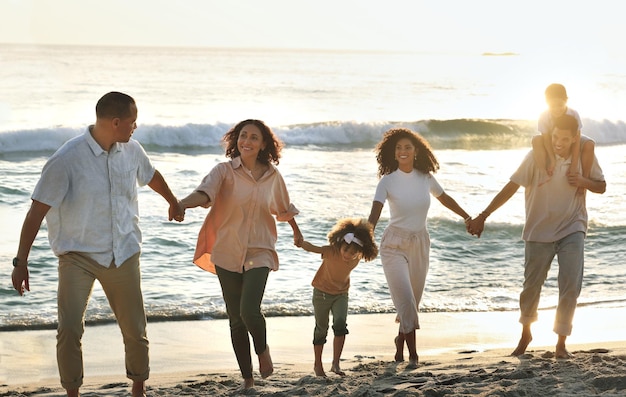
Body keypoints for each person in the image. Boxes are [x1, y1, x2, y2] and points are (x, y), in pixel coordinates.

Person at [10, 92, 183, 397]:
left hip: (124, 252)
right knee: (70, 330)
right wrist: (21, 262)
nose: (135, 127)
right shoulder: (66, 159)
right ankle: (73, 393)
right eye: (132, 122)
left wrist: (172, 201)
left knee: (135, 330)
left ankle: (138, 389)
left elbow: (151, 175)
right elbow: (37, 212)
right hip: (78, 255)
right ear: (116, 122)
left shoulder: (132, 150)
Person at [468, 114, 606, 359]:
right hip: (538, 231)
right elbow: (512, 186)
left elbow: (601, 185)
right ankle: (526, 333)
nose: (558, 143)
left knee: (570, 285)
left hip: (572, 227)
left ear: (575, 138)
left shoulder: (584, 156)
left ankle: (561, 342)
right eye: (555, 137)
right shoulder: (536, 157)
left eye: (565, 139)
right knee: (531, 287)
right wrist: (484, 214)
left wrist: (583, 180)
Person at [178, 119, 303, 389]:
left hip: (261, 248)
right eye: (243, 136)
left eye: (254, 137)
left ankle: (262, 349)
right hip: (227, 249)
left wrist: (296, 231)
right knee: (235, 319)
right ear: (236, 140)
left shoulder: (272, 176)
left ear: (263, 144)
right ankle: (247, 378)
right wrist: (182, 204)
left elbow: (283, 207)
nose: (247, 141)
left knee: (249, 310)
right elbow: (204, 194)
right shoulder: (223, 171)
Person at [367, 127, 473, 369]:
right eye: (399, 148)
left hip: (420, 244)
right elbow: (376, 210)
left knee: (413, 301)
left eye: (408, 147)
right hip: (393, 245)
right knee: (406, 301)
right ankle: (413, 355)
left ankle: (400, 340)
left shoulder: (425, 177)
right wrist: (366, 236)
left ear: (416, 152)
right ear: (393, 154)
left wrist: (467, 217)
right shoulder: (387, 181)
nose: (403, 151)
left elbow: (444, 198)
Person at [299, 218, 378, 377]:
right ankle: (318, 364)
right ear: (340, 244)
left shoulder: (358, 255)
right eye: (345, 250)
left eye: (352, 252)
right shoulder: (331, 251)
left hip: (341, 294)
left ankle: (335, 363)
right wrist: (300, 242)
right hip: (321, 293)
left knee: (340, 323)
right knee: (321, 328)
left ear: (358, 252)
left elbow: (367, 242)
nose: (348, 255)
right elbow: (312, 248)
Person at [532, 83, 595, 195]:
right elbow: (546, 139)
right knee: (536, 139)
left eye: (560, 105)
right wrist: (552, 159)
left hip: (570, 139)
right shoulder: (543, 116)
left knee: (590, 144)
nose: (556, 109)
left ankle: (584, 181)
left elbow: (577, 137)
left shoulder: (573, 113)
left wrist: (574, 165)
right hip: (553, 140)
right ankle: (543, 174)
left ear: (566, 100)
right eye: (552, 106)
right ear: (546, 103)